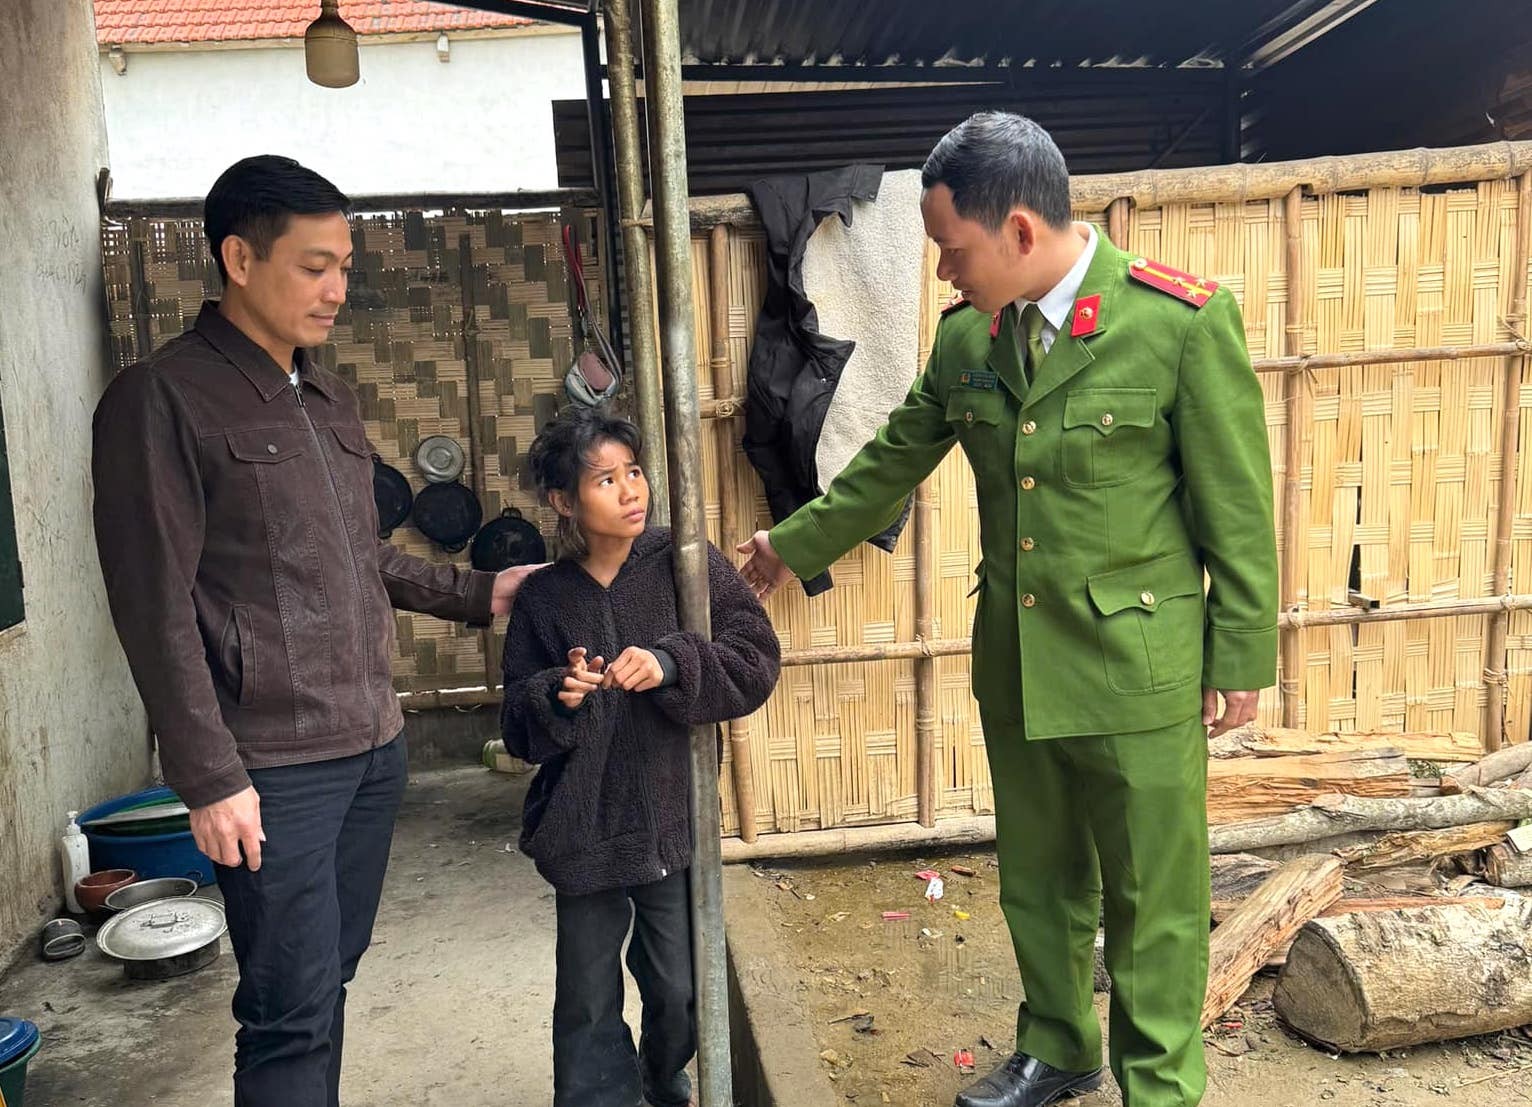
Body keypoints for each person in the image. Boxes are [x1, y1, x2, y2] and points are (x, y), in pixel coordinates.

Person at [737, 112, 1278, 1107]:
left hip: (1137, 668)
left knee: (1150, 898)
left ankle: (1157, 1086)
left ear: (1020, 232)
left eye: (951, 249)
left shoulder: (1175, 324)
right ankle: (1059, 1047)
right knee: (1036, 876)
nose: (942, 270)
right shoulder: (967, 341)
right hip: (1020, 659)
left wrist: (1238, 655)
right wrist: (787, 545)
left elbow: (1234, 507)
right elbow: (891, 460)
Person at [91, 154, 536, 1107]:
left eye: (344, 264)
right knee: (288, 1009)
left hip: (372, 742)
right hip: (272, 765)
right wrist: (209, 777)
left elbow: (357, 552)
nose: (338, 289)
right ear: (239, 260)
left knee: (326, 977)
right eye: (314, 265)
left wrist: (481, 591)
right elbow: (152, 598)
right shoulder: (161, 399)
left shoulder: (326, 397)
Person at [501, 405, 780, 1107]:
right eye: (605, 479)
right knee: (589, 1000)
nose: (630, 489)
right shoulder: (543, 598)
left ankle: (661, 1071)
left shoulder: (685, 563)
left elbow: (755, 660)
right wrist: (556, 695)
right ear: (565, 502)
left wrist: (672, 663)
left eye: (633, 471)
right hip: (583, 827)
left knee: (680, 988)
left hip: (669, 821)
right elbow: (516, 723)